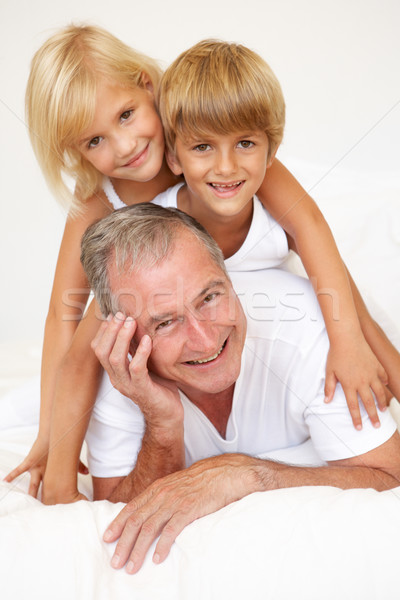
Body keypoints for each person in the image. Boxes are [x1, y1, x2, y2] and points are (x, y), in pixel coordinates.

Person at [6, 33, 399, 502]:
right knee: (88, 346)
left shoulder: (214, 145)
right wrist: (53, 443)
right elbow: (64, 317)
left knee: (344, 305)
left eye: (127, 115)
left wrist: (348, 342)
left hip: (258, 293)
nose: (127, 145)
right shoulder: (103, 197)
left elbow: (312, 232)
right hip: (172, 296)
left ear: (147, 85)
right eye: (96, 140)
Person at [80, 202, 400, 575]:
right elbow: (116, 514)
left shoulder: (309, 329)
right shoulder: (118, 374)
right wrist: (161, 423)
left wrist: (247, 475)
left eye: (211, 297)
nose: (204, 340)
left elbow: (391, 475)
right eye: (165, 323)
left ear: (229, 278)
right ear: (127, 336)